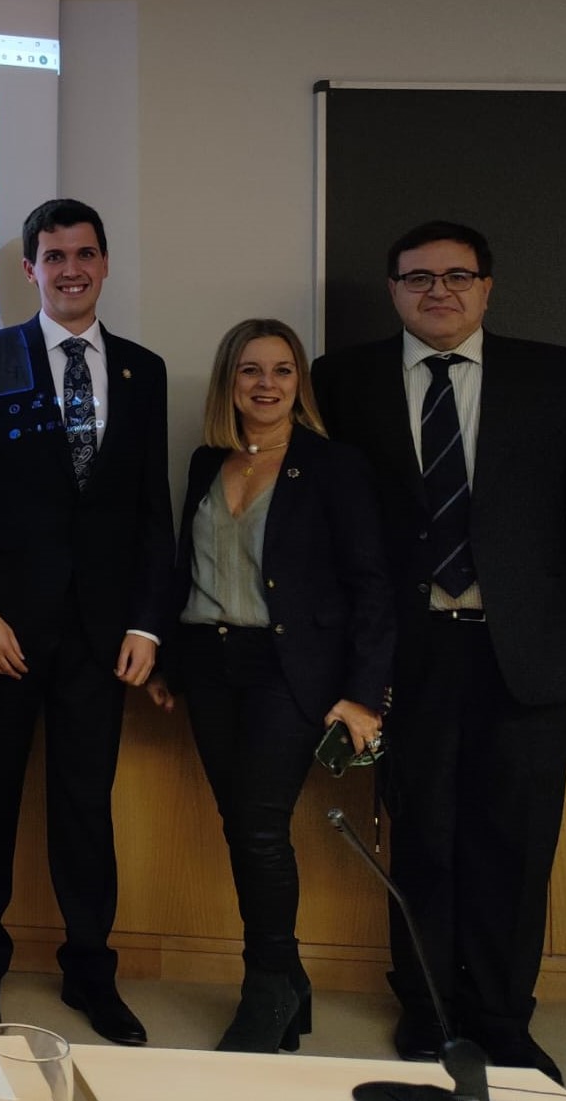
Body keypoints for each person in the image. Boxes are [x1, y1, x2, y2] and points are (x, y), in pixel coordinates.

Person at [312, 222, 566, 1085]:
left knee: (514, 843)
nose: (438, 291)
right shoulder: (342, 381)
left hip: (522, 653)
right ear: (393, 290)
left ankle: (501, 1018)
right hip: (405, 658)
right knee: (421, 837)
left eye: (458, 276)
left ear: (487, 288)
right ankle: (427, 1011)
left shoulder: (554, 374)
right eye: (418, 278)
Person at [0, 198, 172, 1045]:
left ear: (104, 263)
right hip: (2, 634)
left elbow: (152, 512)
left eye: (83, 253)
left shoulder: (145, 371)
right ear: (28, 269)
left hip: (102, 640)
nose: (69, 268)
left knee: (84, 808)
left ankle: (89, 975)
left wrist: (146, 624)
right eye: (51, 255)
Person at [156, 319, 392, 1053]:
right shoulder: (206, 461)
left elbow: (371, 587)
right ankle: (287, 984)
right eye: (249, 370)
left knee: (258, 829)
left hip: (289, 674)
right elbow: (188, 566)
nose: (265, 384)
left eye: (282, 370)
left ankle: (265, 987)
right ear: (229, 381)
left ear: (299, 384)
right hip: (209, 667)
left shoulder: (333, 466)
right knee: (242, 826)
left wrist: (363, 694)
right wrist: (169, 658)